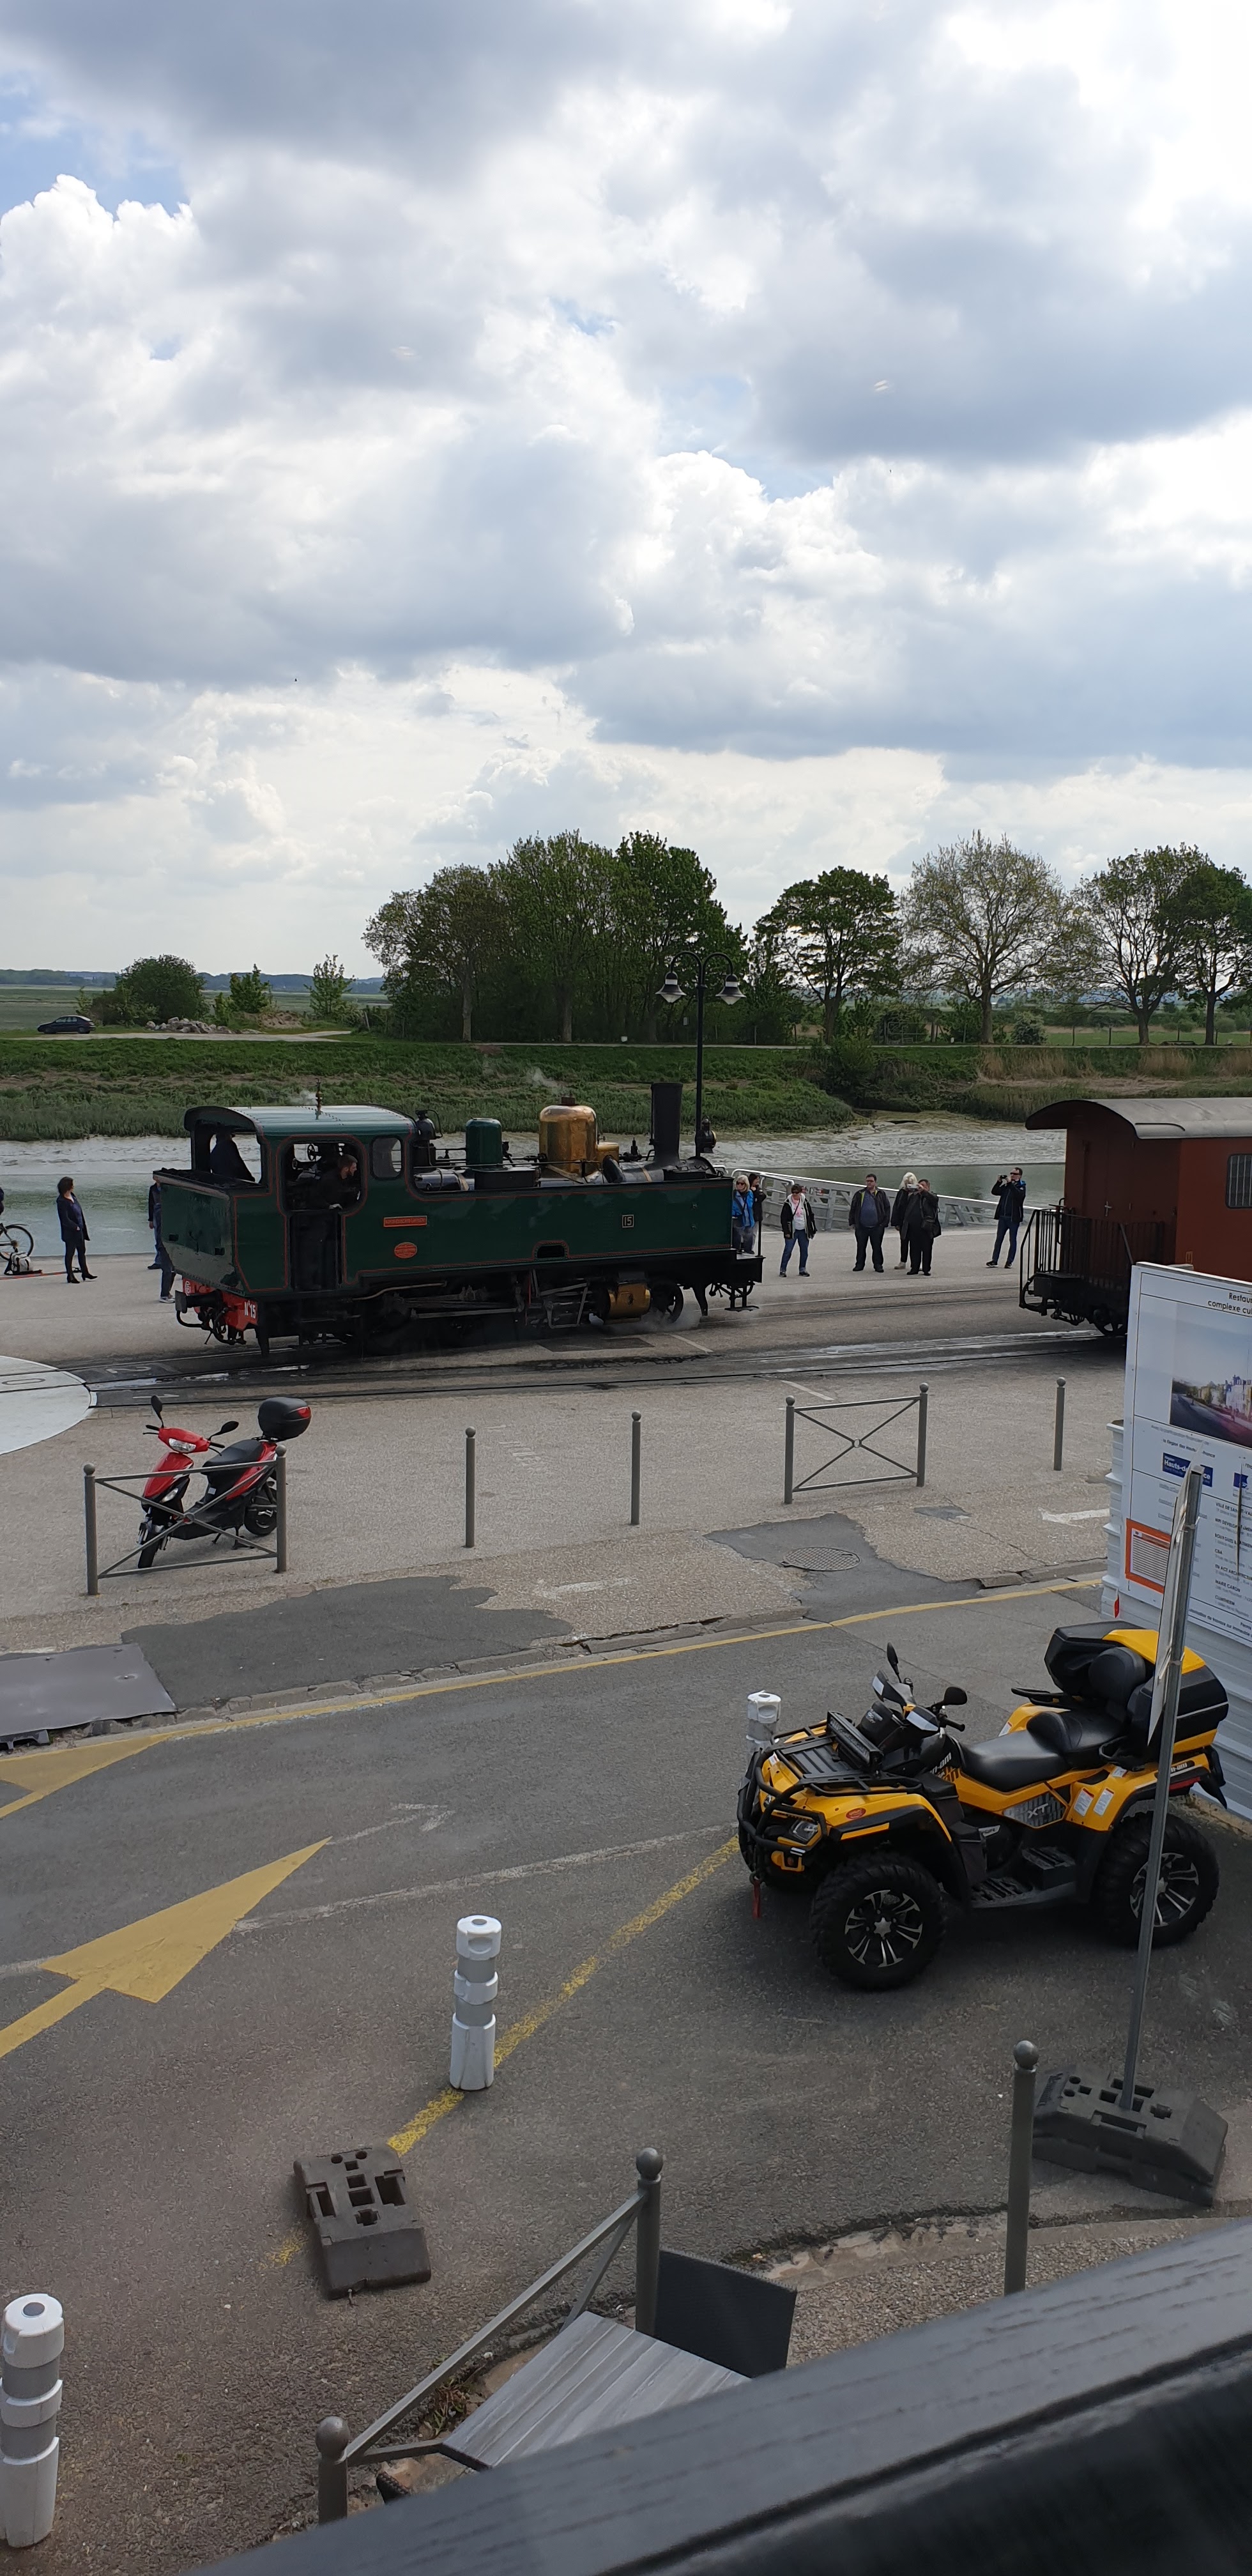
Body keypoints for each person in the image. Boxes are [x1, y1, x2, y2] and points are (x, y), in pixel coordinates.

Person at [848, 1172, 890, 1273]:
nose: (869, 1183)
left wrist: (884, 1223)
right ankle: (859, 1265)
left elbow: (887, 1208)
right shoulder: (860, 1194)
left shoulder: (881, 1194)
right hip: (862, 1226)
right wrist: (852, 1222)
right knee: (861, 1246)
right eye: (867, 1181)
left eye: (871, 1181)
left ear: (875, 1182)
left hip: (877, 1226)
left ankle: (878, 1265)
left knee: (877, 1247)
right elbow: (853, 1208)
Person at [56, 1176, 93, 1283]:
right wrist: (75, 1227)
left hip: (80, 1229)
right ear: (68, 1187)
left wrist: (81, 1226)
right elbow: (65, 1219)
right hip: (71, 1232)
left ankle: (85, 1272)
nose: (73, 1187)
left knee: (82, 1251)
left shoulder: (73, 1196)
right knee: (70, 1253)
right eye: (72, 1185)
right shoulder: (61, 1201)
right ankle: (70, 1275)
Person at [988, 1166, 1027, 1268]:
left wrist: (1010, 1184)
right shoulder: (1007, 1186)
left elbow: (1018, 1196)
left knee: (1012, 1240)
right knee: (999, 1239)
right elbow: (995, 1192)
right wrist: (999, 1182)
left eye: (1015, 1174)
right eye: (1011, 1173)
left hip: (1013, 1218)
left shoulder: (1021, 1186)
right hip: (1003, 1217)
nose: (1012, 1175)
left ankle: (1009, 1261)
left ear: (1020, 1176)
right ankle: (994, 1261)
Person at [904, 1176, 942, 1276]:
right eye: (919, 1186)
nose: (920, 1187)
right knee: (914, 1249)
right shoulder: (913, 1197)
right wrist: (906, 1192)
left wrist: (924, 1191)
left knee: (927, 1249)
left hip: (927, 1228)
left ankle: (926, 1269)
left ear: (928, 1187)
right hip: (914, 1228)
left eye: (923, 1186)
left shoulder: (931, 1196)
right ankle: (914, 1268)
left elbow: (935, 1200)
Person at [148, 1172, 176, 1300]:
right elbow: (150, 1204)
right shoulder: (161, 1209)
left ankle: (166, 1293)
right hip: (165, 1242)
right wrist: (150, 1219)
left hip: (167, 1241)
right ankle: (165, 1294)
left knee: (171, 1270)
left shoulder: (165, 1208)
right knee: (168, 1269)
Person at [779, 1180, 816, 1276]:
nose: (795, 1194)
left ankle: (802, 1269)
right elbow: (783, 1219)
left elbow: (811, 1216)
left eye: (797, 1193)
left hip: (804, 1230)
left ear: (800, 1193)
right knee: (788, 1250)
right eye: (793, 1193)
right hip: (792, 1230)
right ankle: (783, 1269)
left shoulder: (805, 1202)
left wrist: (813, 1229)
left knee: (804, 1251)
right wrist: (786, 1231)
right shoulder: (788, 1203)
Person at [890, 1172, 918, 1268]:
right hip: (903, 1222)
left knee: (915, 1244)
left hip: (915, 1222)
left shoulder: (918, 1194)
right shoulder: (902, 1193)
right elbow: (896, 1208)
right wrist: (895, 1223)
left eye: (910, 1183)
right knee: (904, 1241)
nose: (908, 1186)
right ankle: (903, 1261)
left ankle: (916, 1263)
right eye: (907, 1183)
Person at [731, 1174, 755, 1254]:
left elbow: (751, 1205)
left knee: (749, 1235)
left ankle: (748, 1250)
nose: (739, 1185)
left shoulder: (750, 1193)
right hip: (738, 1218)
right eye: (738, 1183)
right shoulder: (734, 1194)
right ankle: (737, 1250)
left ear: (746, 1184)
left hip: (748, 1218)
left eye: (742, 1184)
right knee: (737, 1236)